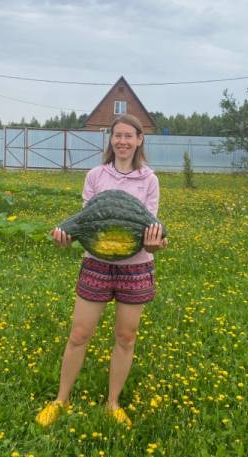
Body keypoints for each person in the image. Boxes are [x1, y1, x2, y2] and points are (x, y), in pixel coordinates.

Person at [35, 114, 168, 428]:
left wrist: (155, 244)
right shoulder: (95, 176)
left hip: (136, 268)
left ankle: (112, 403)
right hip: (96, 264)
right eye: (117, 135)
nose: (122, 141)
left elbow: (148, 231)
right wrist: (66, 236)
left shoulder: (149, 180)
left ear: (139, 140)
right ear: (111, 140)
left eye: (128, 136)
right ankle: (60, 400)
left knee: (126, 337)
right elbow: (87, 223)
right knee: (79, 334)